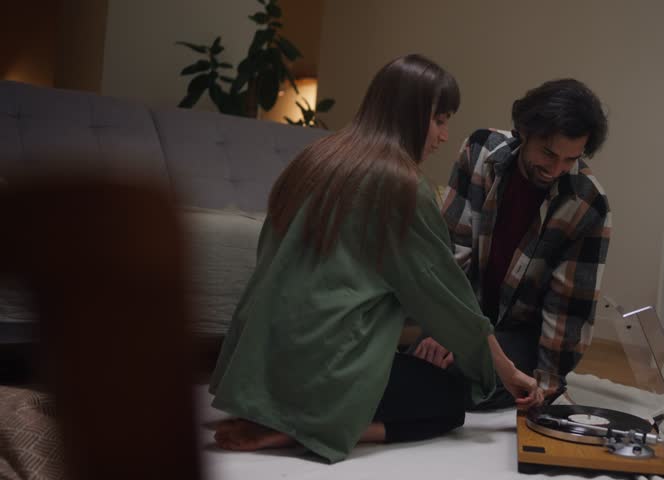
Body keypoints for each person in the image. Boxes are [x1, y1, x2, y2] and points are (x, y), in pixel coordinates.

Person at [208, 54, 543, 463]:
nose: (443, 135)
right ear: (408, 114)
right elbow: (447, 301)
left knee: (400, 361)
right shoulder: (401, 186)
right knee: (452, 401)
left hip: (259, 360)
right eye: (439, 120)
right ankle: (310, 431)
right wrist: (507, 373)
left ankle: (284, 416)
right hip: (319, 371)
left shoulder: (317, 158)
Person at [411, 78, 610, 409]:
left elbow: (569, 313)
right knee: (415, 361)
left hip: (521, 335)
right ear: (524, 131)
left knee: (459, 376)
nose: (555, 169)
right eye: (548, 153)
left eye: (569, 159)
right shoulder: (479, 150)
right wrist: (445, 328)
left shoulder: (589, 205)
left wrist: (543, 389)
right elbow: (450, 255)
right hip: (463, 312)